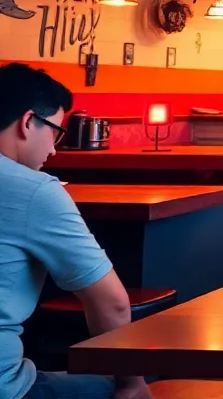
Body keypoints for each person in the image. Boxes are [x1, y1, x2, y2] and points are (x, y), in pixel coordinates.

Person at [0, 63, 151, 399]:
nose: (54, 149)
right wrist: (132, 385)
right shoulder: (36, 191)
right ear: (27, 122)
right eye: (55, 132)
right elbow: (112, 303)